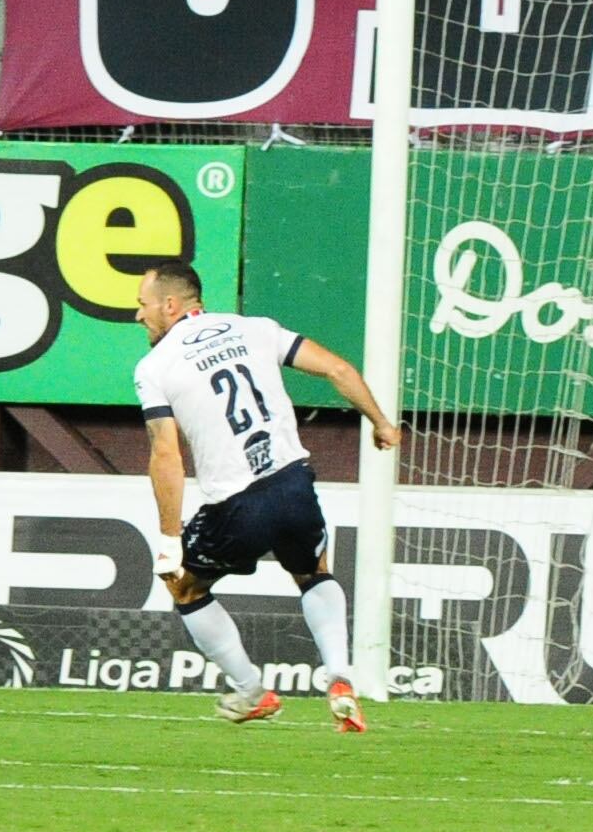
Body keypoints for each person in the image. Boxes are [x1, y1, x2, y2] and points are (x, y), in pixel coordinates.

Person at [133, 259, 401, 732]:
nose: (139, 316)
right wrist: (380, 422)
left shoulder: (155, 366)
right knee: (313, 571)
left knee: (184, 585)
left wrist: (169, 535)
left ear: (170, 305)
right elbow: (338, 369)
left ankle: (250, 690)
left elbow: (166, 456)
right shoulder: (254, 327)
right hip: (293, 483)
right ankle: (339, 677)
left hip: (236, 502)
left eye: (143, 305)